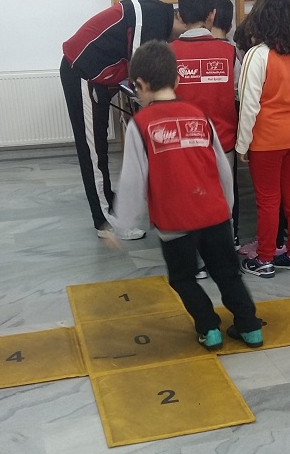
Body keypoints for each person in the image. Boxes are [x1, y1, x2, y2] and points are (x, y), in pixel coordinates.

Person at [108, 40, 263, 349]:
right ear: (178, 80)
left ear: (140, 85)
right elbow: (222, 168)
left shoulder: (140, 125)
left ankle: (210, 329)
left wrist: (121, 224)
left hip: (174, 222)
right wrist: (227, 208)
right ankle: (250, 328)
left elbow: (132, 181)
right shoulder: (200, 115)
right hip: (215, 215)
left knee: (183, 278)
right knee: (228, 274)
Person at [60, 0, 185, 239]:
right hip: (81, 72)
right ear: (179, 16)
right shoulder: (152, 18)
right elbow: (140, 75)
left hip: (96, 76)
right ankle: (104, 223)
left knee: (100, 149)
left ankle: (108, 200)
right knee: (93, 152)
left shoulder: (157, 14)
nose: (177, 39)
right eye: (183, 32)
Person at [236, 0, 290, 278]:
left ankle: (264, 259)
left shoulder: (256, 55)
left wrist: (243, 144)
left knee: (268, 200)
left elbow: (249, 105)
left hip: (267, 141)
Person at [171, 0, 240, 248]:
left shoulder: (168, 54)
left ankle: (196, 258)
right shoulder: (230, 53)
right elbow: (241, 94)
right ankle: (226, 250)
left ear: (179, 15)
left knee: (188, 203)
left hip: (183, 148)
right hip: (223, 145)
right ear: (212, 15)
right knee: (223, 202)